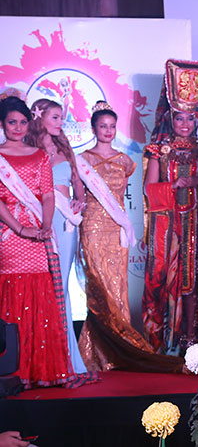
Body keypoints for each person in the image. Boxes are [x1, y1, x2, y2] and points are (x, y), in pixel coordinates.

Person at [77, 102, 183, 372]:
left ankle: (121, 347)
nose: (108, 131)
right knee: (98, 287)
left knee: (118, 286)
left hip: (117, 228)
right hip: (92, 227)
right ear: (93, 128)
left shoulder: (125, 161)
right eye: (103, 126)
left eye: (112, 126)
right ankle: (96, 350)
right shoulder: (82, 160)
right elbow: (80, 196)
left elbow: (123, 198)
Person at [142, 59, 198, 355]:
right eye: (179, 118)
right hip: (170, 230)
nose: (184, 124)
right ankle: (171, 339)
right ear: (171, 118)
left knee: (197, 281)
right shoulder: (159, 150)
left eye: (190, 119)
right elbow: (149, 189)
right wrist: (173, 186)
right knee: (172, 280)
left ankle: (194, 336)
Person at [0, 95, 88, 388]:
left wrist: (46, 225)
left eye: (22, 122)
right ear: (2, 124)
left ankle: (40, 369)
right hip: (9, 233)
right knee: (12, 292)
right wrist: (20, 228)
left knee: (42, 292)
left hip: (40, 231)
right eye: (12, 122)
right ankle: (13, 369)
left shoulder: (39, 155)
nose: (18, 127)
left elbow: (48, 194)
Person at [26, 98, 89, 376]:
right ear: (39, 118)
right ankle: (43, 357)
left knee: (61, 286)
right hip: (39, 222)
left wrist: (78, 203)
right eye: (55, 117)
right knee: (43, 287)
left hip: (65, 225)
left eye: (61, 117)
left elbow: (78, 187)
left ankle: (67, 359)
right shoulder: (28, 150)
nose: (60, 122)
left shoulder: (65, 150)